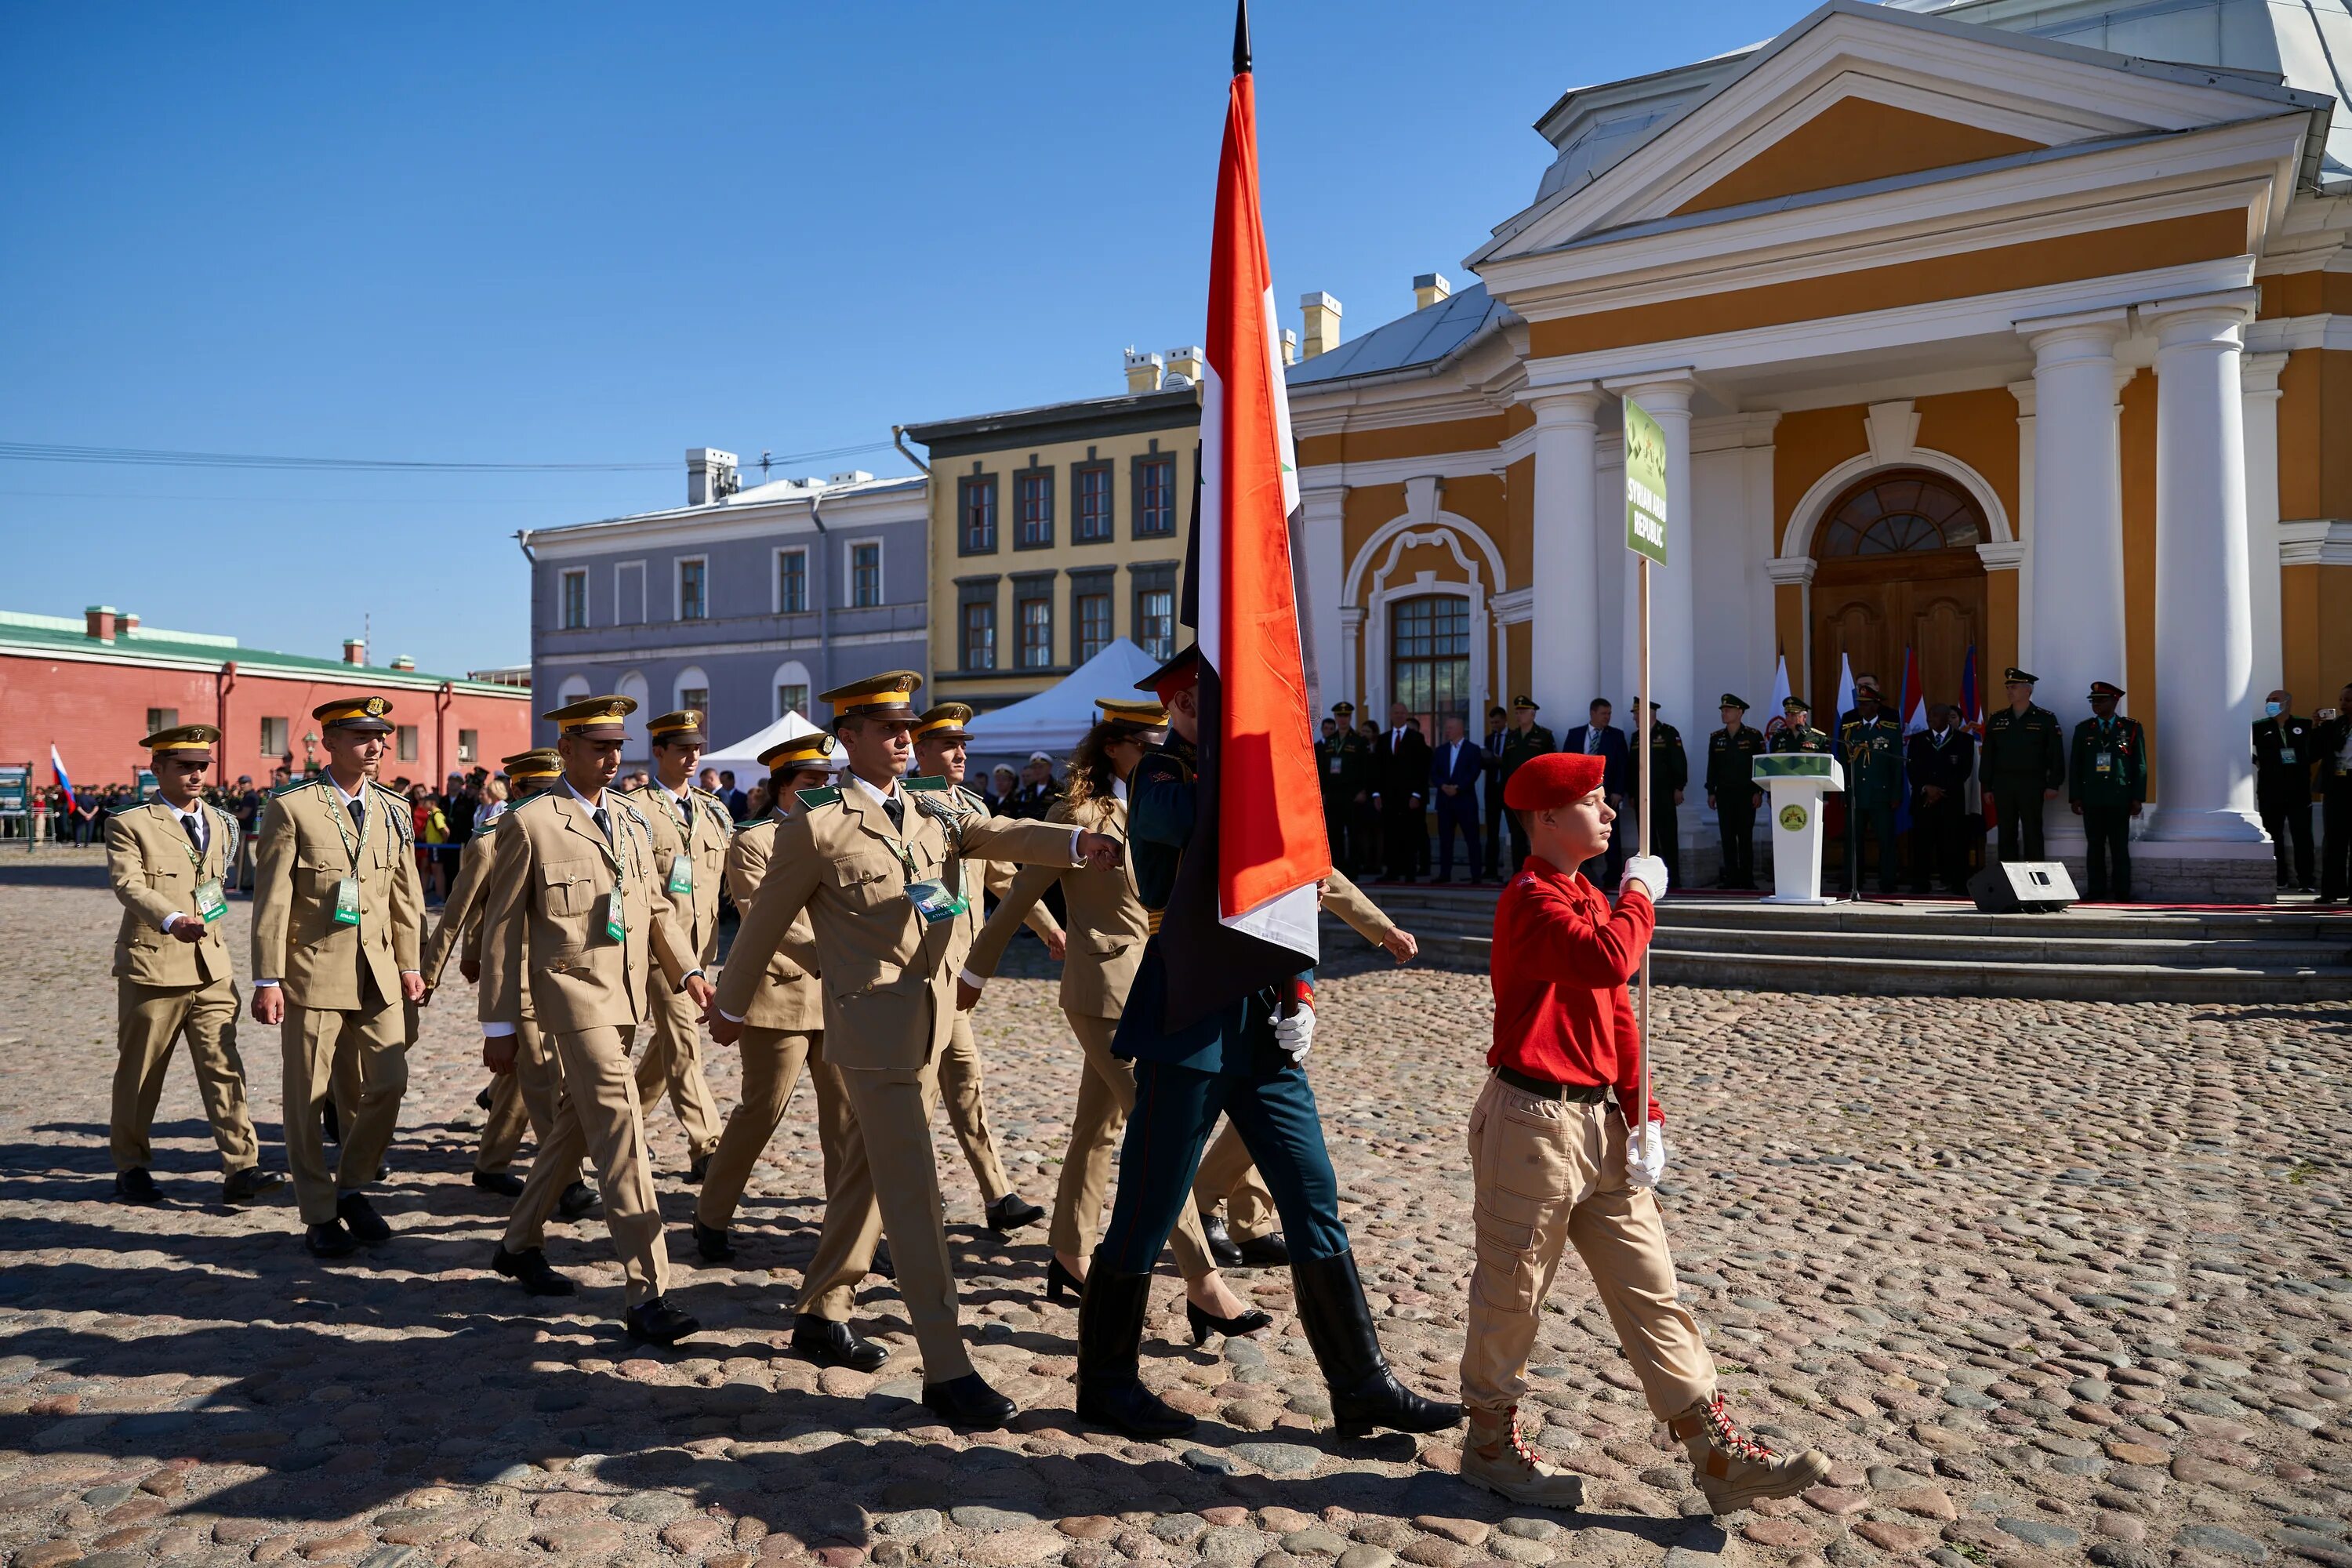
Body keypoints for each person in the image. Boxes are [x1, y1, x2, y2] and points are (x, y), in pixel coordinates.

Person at [711, 670, 1120, 1428]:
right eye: (887, 728)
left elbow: (997, 833)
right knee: (916, 1198)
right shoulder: (817, 826)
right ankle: (946, 1366)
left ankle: (822, 1309)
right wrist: (730, 1007)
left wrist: (1074, 840)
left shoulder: (929, 811)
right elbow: (763, 923)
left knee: (867, 1176)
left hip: (928, 1026)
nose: (906, 738)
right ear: (851, 739)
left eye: (908, 727)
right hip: (871, 1038)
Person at [1070, 646, 1458, 1443]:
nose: (1216, 712)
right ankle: (1105, 1384)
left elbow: (1294, 884)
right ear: (1181, 705)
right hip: (1190, 1010)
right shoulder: (1162, 774)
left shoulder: (1257, 771)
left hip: (1261, 1016)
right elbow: (1186, 859)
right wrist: (1255, 776)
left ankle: (1360, 1384)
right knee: (1146, 1208)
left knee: (1314, 1198)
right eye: (1204, 700)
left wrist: (1301, 990)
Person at [1461, 750, 1831, 1512]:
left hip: (1598, 1124)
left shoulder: (1589, 896)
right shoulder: (1530, 898)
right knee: (1513, 1289)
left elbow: (1620, 1016)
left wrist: (1644, 1114)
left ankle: (1715, 1451)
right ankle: (1490, 1443)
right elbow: (1607, 962)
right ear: (1547, 818)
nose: (1608, 812)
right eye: (1594, 801)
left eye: (1606, 799)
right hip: (1532, 1121)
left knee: (1653, 1290)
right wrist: (1638, 893)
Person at [959, 696, 1267, 1338]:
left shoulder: (1160, 801)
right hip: (1100, 990)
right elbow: (1019, 894)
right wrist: (974, 971)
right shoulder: (1075, 815)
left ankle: (1069, 1255)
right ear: (1113, 746)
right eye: (1147, 739)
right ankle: (1202, 1281)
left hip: (1156, 985)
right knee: (1157, 1134)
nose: (1161, 748)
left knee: (1095, 1130)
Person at [478, 696, 712, 1345]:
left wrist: (688, 972)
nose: (614, 758)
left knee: (574, 1130)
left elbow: (657, 908)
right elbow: (500, 933)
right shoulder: (530, 823)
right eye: (600, 746)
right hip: (571, 995)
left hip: (627, 997)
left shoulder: (632, 820)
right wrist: (499, 1027)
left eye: (619, 746)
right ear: (569, 749)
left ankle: (519, 1241)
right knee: (622, 1132)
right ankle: (648, 1292)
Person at [694, 731, 900, 1370]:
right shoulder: (753, 842)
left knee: (847, 1123)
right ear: (785, 786)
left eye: (826, 781)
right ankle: (712, 1214)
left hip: (839, 1002)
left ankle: (855, 1237)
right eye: (810, 783)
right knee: (762, 1111)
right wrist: (837, 957)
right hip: (782, 998)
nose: (822, 791)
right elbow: (766, 918)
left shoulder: (842, 829)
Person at [251, 696, 426, 1258]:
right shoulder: (294, 808)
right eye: (360, 736)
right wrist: (267, 978)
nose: (375, 746)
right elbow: (272, 901)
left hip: (376, 972)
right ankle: (318, 1210)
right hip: (312, 970)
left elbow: (405, 897)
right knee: (307, 1096)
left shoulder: (394, 808)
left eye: (381, 736)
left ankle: (351, 1184)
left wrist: (409, 963)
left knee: (390, 1080)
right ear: (328, 741)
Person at [1192, 866, 1419, 1270]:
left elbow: (1315, 870)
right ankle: (1193, 1212)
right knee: (1112, 1124)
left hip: (1264, 965)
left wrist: (1381, 928)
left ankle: (1248, 1220)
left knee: (1263, 1102)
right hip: (1190, 964)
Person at [105, 724, 281, 1206]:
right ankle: (132, 1165)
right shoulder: (130, 822)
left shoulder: (223, 822)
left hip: (211, 967)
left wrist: (207, 924)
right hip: (155, 965)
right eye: (184, 766)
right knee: (142, 1073)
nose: (196, 774)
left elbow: (216, 887)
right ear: (157, 768)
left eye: (202, 765)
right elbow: (128, 885)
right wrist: (172, 918)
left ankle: (241, 1166)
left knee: (224, 1066)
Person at [419, 749, 592, 1218]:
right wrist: (429, 973)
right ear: (517, 790)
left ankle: (492, 1161)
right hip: (514, 976)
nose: (546, 798)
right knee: (541, 1074)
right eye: (536, 790)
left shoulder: (575, 827)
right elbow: (459, 910)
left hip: (563, 972)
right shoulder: (491, 840)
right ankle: (567, 1181)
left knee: (520, 1076)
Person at [910, 702, 1049, 1232]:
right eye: (948, 745)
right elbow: (918, 884)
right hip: (918, 977)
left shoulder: (970, 805)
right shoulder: (906, 810)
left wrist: (1047, 928)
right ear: (919, 749)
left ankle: (997, 1195)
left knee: (967, 1082)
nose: (961, 753)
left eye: (963, 744)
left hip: (955, 980)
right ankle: (903, 1206)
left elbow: (1003, 880)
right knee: (915, 1096)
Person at [627, 710, 734, 1182]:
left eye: (697, 749)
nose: (692, 757)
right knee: (684, 1043)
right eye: (681, 749)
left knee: (666, 1050)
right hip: (658, 952)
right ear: (659, 752)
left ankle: (615, 1128)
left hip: (703, 949)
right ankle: (707, 1146)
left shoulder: (714, 811)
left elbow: (734, 880)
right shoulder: (634, 811)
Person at [2070, 681, 2147, 902]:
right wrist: (2075, 796)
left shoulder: (2131, 728)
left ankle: (2122, 891)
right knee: (2094, 846)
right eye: (2093, 700)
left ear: (2115, 701)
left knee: (2119, 846)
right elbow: (2076, 764)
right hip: (2092, 796)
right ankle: (2096, 890)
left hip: (2119, 796)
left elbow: (2139, 764)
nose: (2096, 704)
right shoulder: (2084, 729)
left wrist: (2137, 797)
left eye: (2101, 700)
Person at [1980, 668, 2065, 862]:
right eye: (2008, 688)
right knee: (2006, 833)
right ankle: (2009, 881)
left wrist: (2054, 784)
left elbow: (2055, 754)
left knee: (2032, 832)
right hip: (2003, 784)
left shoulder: (2044, 719)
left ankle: (2034, 881)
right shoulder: (1997, 719)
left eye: (2014, 687)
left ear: (2028, 690)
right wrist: (1986, 786)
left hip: (2032, 783)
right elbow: (1989, 756)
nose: (2010, 691)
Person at [1837, 686, 1903, 897]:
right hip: (1857, 794)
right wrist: (1843, 791)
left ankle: (1888, 882)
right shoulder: (1850, 729)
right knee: (1853, 841)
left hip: (1881, 794)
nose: (1861, 708)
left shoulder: (1890, 730)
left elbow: (1897, 766)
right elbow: (1843, 763)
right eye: (1859, 704)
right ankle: (1852, 880)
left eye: (1866, 704)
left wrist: (1896, 794)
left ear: (1876, 705)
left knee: (1886, 841)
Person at [2252, 690, 2318, 893]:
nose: (2269, 703)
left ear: (2287, 703)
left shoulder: (2304, 725)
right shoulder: (2259, 727)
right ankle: (2279, 879)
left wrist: (2320, 727)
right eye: (2267, 700)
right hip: (2270, 789)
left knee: (2303, 836)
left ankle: (2306, 881)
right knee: (2273, 834)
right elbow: (2238, 747)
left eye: (2274, 700)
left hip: (2298, 789)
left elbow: (2315, 751)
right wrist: (2257, 762)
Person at [1703, 695, 1766, 890]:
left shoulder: (1753, 736)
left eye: (1728, 710)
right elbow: (1712, 767)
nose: (1724, 713)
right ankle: (1731, 877)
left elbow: (1760, 766)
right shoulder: (1716, 738)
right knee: (1728, 837)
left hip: (1746, 795)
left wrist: (1758, 791)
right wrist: (1711, 791)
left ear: (1740, 712)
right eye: (1722, 710)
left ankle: (1747, 878)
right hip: (1724, 795)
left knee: (1745, 837)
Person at [1624, 699, 1688, 891]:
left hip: (1664, 795)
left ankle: (1673, 881)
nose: (1634, 717)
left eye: (1637, 713)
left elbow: (1679, 762)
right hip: (1642, 797)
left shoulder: (1669, 733)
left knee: (1668, 838)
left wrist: (1679, 787)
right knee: (1647, 842)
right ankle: (1651, 882)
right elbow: (1632, 767)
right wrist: (1632, 793)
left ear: (1648, 713)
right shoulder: (1636, 736)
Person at [1565, 699, 1627, 883]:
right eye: (1603, 714)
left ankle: (1613, 873)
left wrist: (1618, 791)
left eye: (1609, 714)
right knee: (1583, 831)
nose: (1607, 717)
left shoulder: (1616, 736)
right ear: (1592, 713)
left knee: (1611, 833)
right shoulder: (1575, 734)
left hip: (1607, 795)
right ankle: (1585, 873)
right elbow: (1567, 763)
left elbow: (1623, 766)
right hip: (1581, 794)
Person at [1373, 702, 1432, 883]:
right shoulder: (1383, 739)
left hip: (1409, 798)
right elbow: (1376, 769)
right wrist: (1376, 794)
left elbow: (1423, 770)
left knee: (1410, 835)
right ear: (1390, 715)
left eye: (1402, 713)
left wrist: (1417, 794)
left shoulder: (1417, 738)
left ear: (1406, 715)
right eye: (1395, 712)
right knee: (1391, 835)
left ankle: (1409, 872)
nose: (1399, 715)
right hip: (1389, 798)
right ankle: (1392, 871)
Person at [1429, 714, 1486, 884]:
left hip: (1465, 801)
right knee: (1446, 840)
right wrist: (1443, 786)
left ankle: (1476, 875)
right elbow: (1434, 773)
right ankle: (1444, 874)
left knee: (1472, 839)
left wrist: (1458, 787)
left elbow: (1474, 772)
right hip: (1445, 801)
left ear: (1460, 729)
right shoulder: (1441, 750)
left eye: (1450, 728)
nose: (1447, 731)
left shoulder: (1472, 749)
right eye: (1446, 728)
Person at [2315, 686, 2352, 903]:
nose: (2343, 703)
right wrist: (2319, 727)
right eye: (2341, 699)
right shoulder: (2338, 725)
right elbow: (2316, 752)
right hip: (2337, 784)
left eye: (2348, 700)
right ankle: (2332, 890)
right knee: (2334, 839)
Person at [1480, 706, 1511, 879]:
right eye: (1492, 722)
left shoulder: (1513, 737)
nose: (1494, 725)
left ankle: (1516, 868)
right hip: (1492, 790)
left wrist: (1501, 761)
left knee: (1515, 829)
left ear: (1505, 720)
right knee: (1492, 831)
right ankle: (1490, 869)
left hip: (1508, 788)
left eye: (1497, 722)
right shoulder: (1490, 739)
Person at [1010, 751, 1062, 819]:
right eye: (1034, 767)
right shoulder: (1029, 788)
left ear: (1049, 768)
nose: (1037, 770)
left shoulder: (1058, 788)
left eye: (1041, 767)